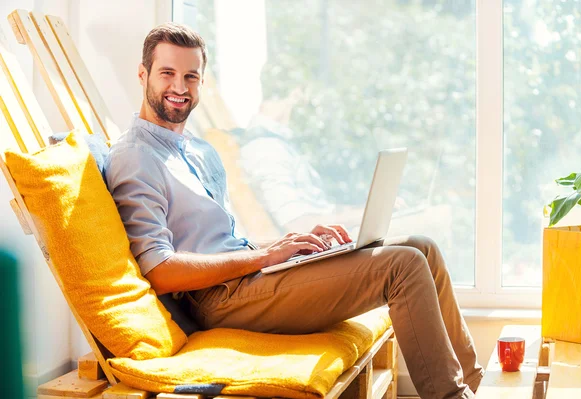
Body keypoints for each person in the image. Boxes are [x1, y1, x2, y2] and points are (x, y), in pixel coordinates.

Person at [103, 22, 484, 399]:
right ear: (143, 74)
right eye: (167, 73)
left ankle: (475, 384)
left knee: (423, 248)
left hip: (250, 276)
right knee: (402, 266)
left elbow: (220, 241)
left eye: (191, 76)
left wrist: (285, 246)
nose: (180, 87)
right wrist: (263, 258)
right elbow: (160, 270)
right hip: (218, 299)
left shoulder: (199, 150)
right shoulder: (136, 157)